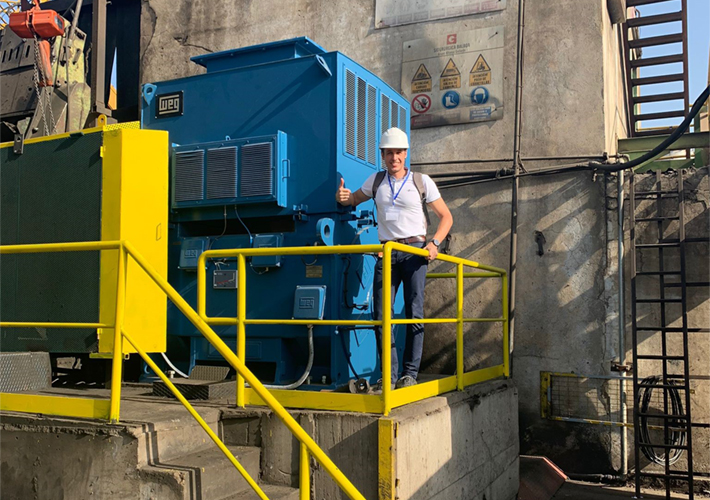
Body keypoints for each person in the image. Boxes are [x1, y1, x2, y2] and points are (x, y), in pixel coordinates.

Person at [335, 127, 453, 389]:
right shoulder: (376, 181)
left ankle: (409, 374)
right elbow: (353, 199)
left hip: (414, 253)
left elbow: (447, 216)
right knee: (382, 315)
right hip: (386, 253)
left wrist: (434, 243)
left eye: (398, 152)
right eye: (389, 153)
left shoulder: (421, 182)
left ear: (405, 154)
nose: (394, 158)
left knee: (414, 313)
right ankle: (387, 377)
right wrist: (343, 197)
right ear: (383, 155)